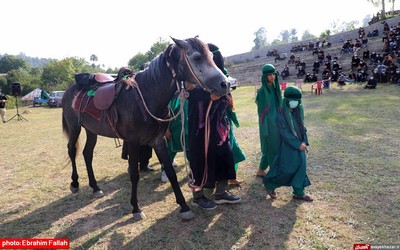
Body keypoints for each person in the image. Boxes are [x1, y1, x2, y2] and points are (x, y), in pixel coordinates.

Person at [263, 86, 313, 202]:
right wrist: (297, 144)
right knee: (287, 170)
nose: (296, 103)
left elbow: (302, 128)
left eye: (297, 101)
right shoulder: (281, 114)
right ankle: (270, 184)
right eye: (293, 101)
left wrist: (304, 141)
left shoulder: (297, 111)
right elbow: (285, 133)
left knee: (301, 169)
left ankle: (299, 193)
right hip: (288, 147)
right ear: (287, 100)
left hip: (300, 146)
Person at [255, 64, 282, 177]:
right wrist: (265, 129)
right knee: (272, 148)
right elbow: (261, 113)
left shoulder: (276, 89)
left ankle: (261, 170)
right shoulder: (261, 91)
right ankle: (273, 172)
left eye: (273, 74)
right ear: (265, 76)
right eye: (269, 75)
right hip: (268, 125)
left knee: (274, 147)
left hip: (278, 122)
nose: (272, 77)